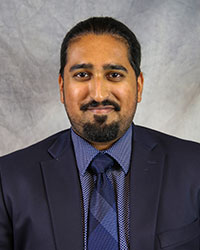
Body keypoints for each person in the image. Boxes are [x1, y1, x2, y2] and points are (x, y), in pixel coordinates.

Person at [0, 17, 200, 250]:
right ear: (62, 87)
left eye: (114, 74)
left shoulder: (194, 166)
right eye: (82, 75)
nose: (98, 94)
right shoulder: (8, 180)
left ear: (139, 85)